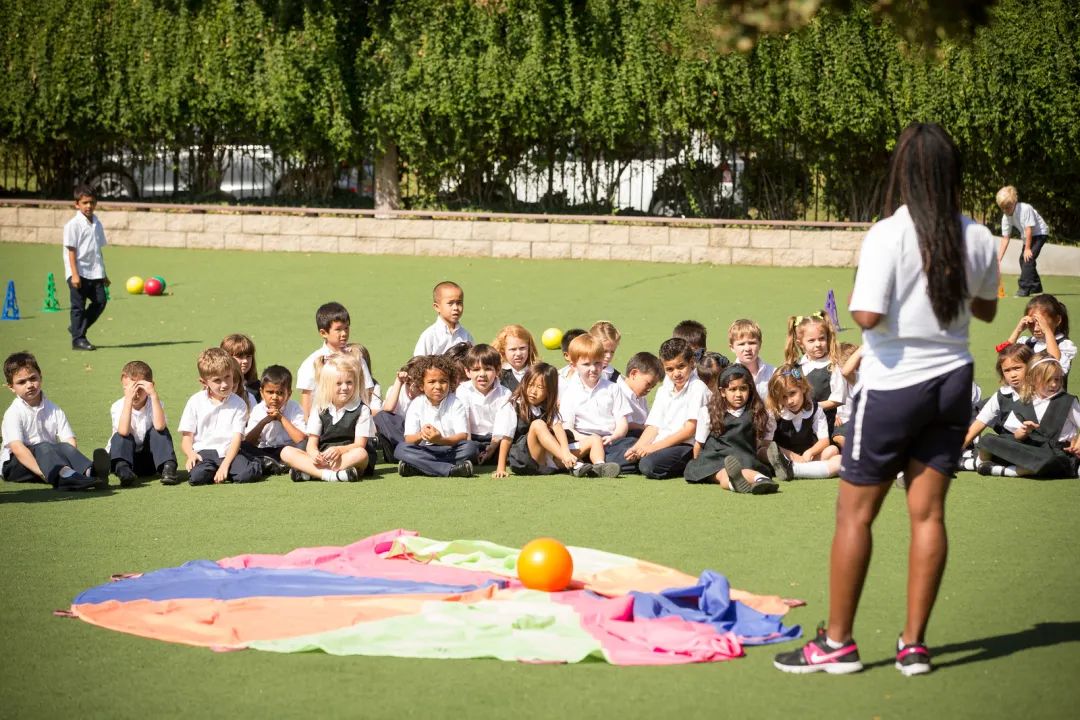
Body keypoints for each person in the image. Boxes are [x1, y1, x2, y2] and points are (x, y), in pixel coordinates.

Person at [773, 122, 998, 676]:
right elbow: (987, 311)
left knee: (855, 514)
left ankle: (839, 644)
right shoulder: (977, 236)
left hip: (896, 383)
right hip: (952, 383)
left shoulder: (887, 234)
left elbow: (867, 316)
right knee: (928, 515)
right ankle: (914, 646)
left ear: (903, 170)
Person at [1, 351, 106, 489]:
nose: (29, 385)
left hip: (48, 459)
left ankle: (90, 471)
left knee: (61, 446)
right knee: (43, 446)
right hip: (16, 465)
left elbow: (69, 441)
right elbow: (18, 449)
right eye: (21, 382)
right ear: (11, 387)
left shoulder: (54, 409)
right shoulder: (13, 413)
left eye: (33, 378)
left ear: (41, 377)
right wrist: (44, 473)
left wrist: (66, 460)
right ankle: (67, 477)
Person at [974, 355, 1080, 478]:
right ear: (1032, 379)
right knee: (988, 440)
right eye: (1048, 380)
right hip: (1030, 448)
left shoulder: (1067, 401)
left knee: (1048, 460)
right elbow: (1017, 437)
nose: (1053, 384)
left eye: (1057, 379)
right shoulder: (1026, 400)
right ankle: (981, 463)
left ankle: (1000, 470)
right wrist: (1023, 431)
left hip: (1057, 454)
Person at [617, 338, 708, 479]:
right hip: (662, 442)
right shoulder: (664, 390)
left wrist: (652, 448)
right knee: (622, 458)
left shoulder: (698, 388)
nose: (676, 373)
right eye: (670, 369)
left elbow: (690, 430)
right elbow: (654, 426)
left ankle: (692, 465)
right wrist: (638, 447)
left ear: (691, 363)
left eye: (681, 366)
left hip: (686, 445)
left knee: (648, 465)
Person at [684, 364, 778, 494]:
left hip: (743, 456)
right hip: (714, 458)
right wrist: (698, 462)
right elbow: (699, 444)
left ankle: (760, 479)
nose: (738, 394)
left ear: (750, 389)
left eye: (743, 389)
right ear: (723, 392)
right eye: (732, 389)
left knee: (739, 470)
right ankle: (747, 482)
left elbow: (763, 443)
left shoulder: (759, 413)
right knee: (722, 473)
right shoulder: (709, 412)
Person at [281, 354, 372, 482]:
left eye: (349, 382)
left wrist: (339, 450)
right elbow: (311, 444)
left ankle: (312, 473)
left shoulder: (362, 409)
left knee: (361, 454)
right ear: (328, 385)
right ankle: (331, 476)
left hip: (347, 457)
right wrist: (314, 454)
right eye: (339, 383)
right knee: (286, 452)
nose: (345, 388)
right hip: (324, 459)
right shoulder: (320, 408)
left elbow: (359, 444)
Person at [179, 348, 262, 486]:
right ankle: (217, 470)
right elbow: (187, 438)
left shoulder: (239, 404)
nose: (224, 384)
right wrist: (191, 454)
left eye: (228, 377)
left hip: (229, 452)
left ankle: (252, 463)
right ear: (204, 382)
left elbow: (236, 438)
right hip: (204, 453)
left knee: (246, 474)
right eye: (217, 380)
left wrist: (225, 465)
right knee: (197, 478)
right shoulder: (195, 401)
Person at [395, 355, 477, 477]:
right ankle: (451, 470)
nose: (438, 387)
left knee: (471, 448)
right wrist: (421, 435)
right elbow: (408, 439)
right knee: (401, 449)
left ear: (451, 382)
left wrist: (440, 440)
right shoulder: (416, 403)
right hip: (426, 450)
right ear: (422, 385)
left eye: (443, 381)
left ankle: (420, 468)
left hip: (450, 449)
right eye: (431, 382)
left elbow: (463, 435)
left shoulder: (456, 403)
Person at [557, 334, 627, 477]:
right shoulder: (569, 391)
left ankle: (591, 466)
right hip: (581, 441)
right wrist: (586, 439)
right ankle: (596, 465)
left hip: (611, 441)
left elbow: (622, 422)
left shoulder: (613, 388)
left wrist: (614, 436)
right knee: (577, 446)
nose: (593, 369)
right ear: (574, 365)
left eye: (597, 363)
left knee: (631, 448)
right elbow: (568, 428)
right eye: (586, 364)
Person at [491, 363, 576, 477]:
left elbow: (558, 427)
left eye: (540, 387)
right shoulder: (513, 405)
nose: (533, 391)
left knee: (592, 440)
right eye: (530, 385)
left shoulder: (547, 406)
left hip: (546, 456)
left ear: (549, 390)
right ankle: (569, 463)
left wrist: (566, 451)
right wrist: (500, 468)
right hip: (525, 458)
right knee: (538, 424)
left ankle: (590, 464)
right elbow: (506, 439)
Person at [959, 343, 1032, 472]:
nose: (1012, 375)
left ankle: (977, 464)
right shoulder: (1003, 393)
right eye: (1007, 371)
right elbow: (980, 423)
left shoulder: (1043, 392)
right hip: (1012, 444)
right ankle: (970, 460)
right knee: (989, 441)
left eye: (1017, 368)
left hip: (1038, 447)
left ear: (1031, 366)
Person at [296, 302, 374, 420]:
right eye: (338, 329)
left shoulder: (357, 358)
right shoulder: (312, 362)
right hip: (323, 424)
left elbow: (367, 391)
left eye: (346, 328)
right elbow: (307, 399)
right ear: (323, 333)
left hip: (354, 421)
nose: (344, 333)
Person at [105, 360, 178, 486]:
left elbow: (160, 426)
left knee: (159, 431)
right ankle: (123, 471)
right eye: (129, 388)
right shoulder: (118, 406)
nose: (135, 394)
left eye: (139, 388)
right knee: (120, 436)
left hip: (149, 461)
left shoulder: (154, 403)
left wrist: (153, 395)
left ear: (150, 386)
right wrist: (128, 400)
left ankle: (168, 468)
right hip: (127, 459)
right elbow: (123, 431)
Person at [764, 365, 841, 482]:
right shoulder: (774, 413)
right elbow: (767, 443)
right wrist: (792, 456)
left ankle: (795, 470)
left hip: (808, 457)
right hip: (783, 456)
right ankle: (797, 469)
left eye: (792, 393)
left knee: (833, 451)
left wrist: (810, 452)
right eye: (783, 397)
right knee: (762, 452)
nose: (789, 401)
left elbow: (824, 441)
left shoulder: (815, 409)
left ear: (803, 388)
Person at [63, 185, 111, 351]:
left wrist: (103, 274)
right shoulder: (73, 225)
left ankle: (77, 327)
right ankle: (78, 339)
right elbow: (71, 251)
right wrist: (74, 275)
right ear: (77, 204)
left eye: (91, 202)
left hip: (95, 272)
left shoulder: (97, 223)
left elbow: (97, 250)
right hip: (78, 272)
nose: (88, 206)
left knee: (101, 301)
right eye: (84, 203)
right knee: (78, 306)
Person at [784, 313, 845, 435]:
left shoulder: (833, 366)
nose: (818, 344)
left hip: (827, 426)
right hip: (800, 426)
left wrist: (809, 408)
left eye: (822, 338)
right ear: (801, 343)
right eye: (811, 340)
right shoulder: (796, 367)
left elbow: (837, 399)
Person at [243, 365, 306, 476]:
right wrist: (264, 421)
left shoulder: (294, 407)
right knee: (243, 446)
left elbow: (301, 439)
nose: (274, 397)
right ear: (262, 393)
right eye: (270, 392)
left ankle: (281, 464)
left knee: (306, 444)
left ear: (289, 394)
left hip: (288, 450)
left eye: (280, 393)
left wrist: (281, 418)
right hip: (265, 451)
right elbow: (249, 441)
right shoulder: (258, 409)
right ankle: (275, 464)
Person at [456, 344, 512, 467]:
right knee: (467, 450)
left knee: (515, 452)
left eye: (487, 369)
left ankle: (486, 457)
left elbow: (502, 424)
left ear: (497, 370)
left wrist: (491, 448)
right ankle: (474, 457)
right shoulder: (462, 390)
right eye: (476, 369)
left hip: (495, 439)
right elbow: (463, 421)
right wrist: (468, 444)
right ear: (467, 372)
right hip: (471, 438)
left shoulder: (505, 393)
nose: (482, 374)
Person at [996, 186, 1050, 298]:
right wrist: (999, 258)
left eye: (1008, 207)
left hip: (1040, 233)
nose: (1006, 210)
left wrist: (1027, 248)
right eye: (1003, 208)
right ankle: (1036, 287)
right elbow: (1005, 238)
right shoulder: (1006, 217)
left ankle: (1024, 288)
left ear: (1014, 201)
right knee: (1022, 259)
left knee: (1027, 259)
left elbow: (1029, 229)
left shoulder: (1025, 209)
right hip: (1028, 236)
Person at [1004, 294, 1075, 379]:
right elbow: (1005, 357)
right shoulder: (1027, 342)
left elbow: (1053, 363)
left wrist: (1047, 330)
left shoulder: (1063, 345)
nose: (1036, 329)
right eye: (1032, 323)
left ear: (1057, 320)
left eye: (1041, 323)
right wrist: (1018, 330)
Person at [373, 355, 424, 463]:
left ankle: (409, 453)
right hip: (398, 437)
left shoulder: (425, 395)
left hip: (418, 437)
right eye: (412, 379)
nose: (415, 384)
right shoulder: (397, 389)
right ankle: (406, 452)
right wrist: (399, 381)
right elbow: (388, 409)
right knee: (382, 416)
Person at [413, 281, 475, 356]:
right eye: (450, 303)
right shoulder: (430, 335)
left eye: (459, 303)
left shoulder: (466, 335)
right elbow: (418, 364)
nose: (455, 308)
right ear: (437, 307)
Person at [616, 352, 662, 438]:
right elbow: (626, 423)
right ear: (634, 374)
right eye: (648, 384)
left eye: (653, 386)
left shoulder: (640, 397)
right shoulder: (617, 391)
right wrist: (648, 429)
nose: (649, 389)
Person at [729, 319, 774, 400]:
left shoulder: (773, 373)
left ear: (760, 344)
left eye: (752, 343)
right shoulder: (727, 376)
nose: (747, 348)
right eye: (741, 344)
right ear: (732, 347)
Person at [493, 324, 539, 391]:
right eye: (513, 349)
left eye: (522, 348)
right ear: (503, 350)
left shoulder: (538, 371)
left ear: (529, 348)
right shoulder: (497, 374)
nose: (518, 353)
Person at [221, 334, 260, 401]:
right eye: (240, 356)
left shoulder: (258, 387)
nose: (245, 361)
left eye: (248, 356)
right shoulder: (218, 386)